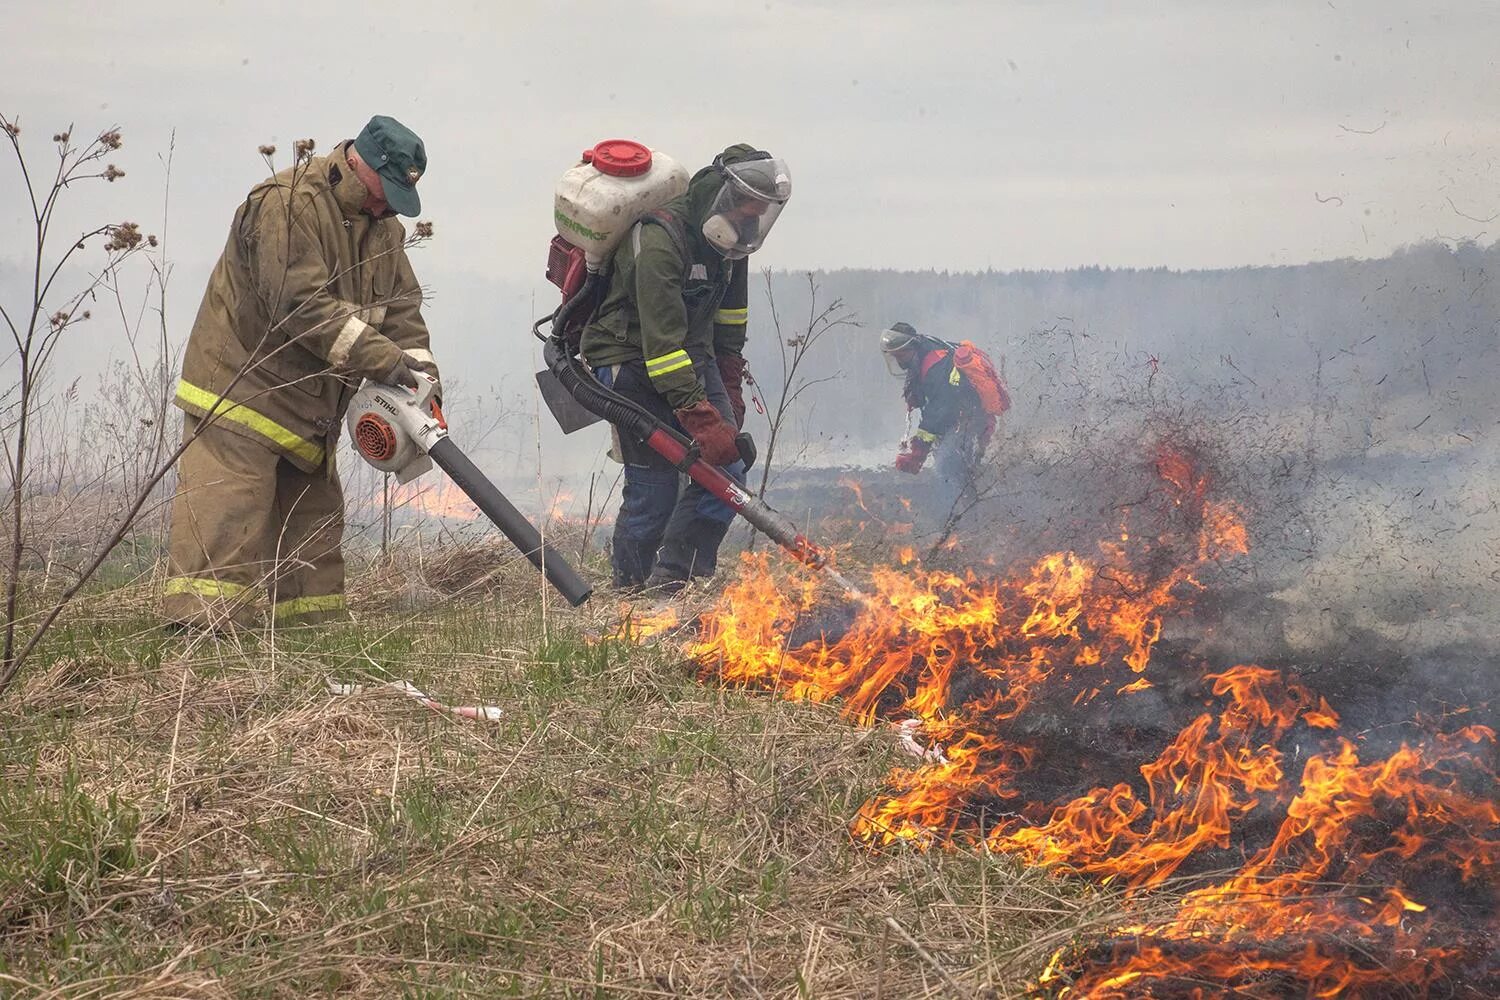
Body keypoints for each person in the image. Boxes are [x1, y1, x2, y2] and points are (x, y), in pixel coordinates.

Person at [164, 115, 441, 629]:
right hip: (241, 391)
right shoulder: (286, 205)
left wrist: (425, 383)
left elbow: (403, 313)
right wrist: (385, 362)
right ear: (359, 163)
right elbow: (300, 306)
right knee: (229, 515)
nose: (386, 208)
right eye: (386, 193)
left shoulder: (383, 230)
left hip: (310, 406)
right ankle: (201, 641)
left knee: (311, 527)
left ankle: (307, 638)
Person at [580, 144, 791, 593]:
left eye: (761, 212)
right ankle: (629, 591)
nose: (751, 221)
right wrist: (699, 417)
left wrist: (728, 389)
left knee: (729, 467)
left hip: (689, 357)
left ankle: (676, 577)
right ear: (723, 195)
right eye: (748, 208)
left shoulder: (734, 241)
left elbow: (730, 323)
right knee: (655, 486)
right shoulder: (659, 238)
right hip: (629, 359)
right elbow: (661, 347)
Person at [880, 322, 1006, 501]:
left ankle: (954, 522)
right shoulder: (923, 355)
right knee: (959, 472)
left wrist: (918, 452)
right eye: (895, 357)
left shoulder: (935, 364)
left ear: (913, 347)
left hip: (969, 420)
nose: (900, 362)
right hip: (959, 420)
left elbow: (939, 410)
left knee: (945, 468)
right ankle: (970, 518)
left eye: (901, 355)